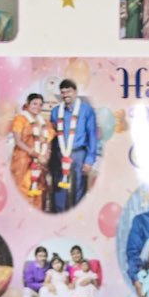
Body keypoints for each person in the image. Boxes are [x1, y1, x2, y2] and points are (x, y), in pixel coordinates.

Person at [49, 79, 99, 213]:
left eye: (69, 91)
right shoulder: (56, 111)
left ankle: (77, 217)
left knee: (79, 188)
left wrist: (89, 160)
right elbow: (52, 132)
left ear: (75, 92)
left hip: (79, 153)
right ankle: (60, 215)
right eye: (63, 92)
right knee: (59, 187)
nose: (65, 95)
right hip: (60, 154)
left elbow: (92, 135)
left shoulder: (86, 110)